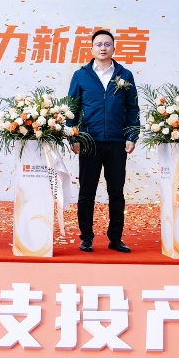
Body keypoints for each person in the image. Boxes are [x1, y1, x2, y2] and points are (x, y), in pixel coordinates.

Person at [67, 29, 139, 253]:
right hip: (89, 141)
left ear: (114, 48)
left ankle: (115, 238)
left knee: (116, 192)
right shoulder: (81, 75)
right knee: (87, 192)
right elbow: (71, 109)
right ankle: (86, 237)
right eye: (98, 44)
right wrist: (73, 137)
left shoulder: (125, 75)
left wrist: (131, 136)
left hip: (117, 141)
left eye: (107, 44)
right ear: (91, 48)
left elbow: (133, 108)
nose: (103, 48)